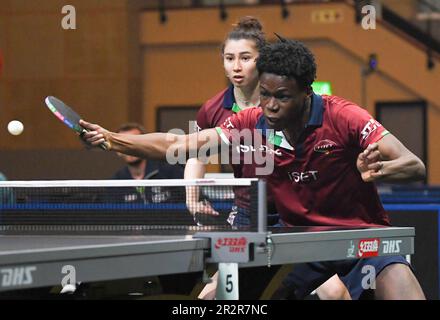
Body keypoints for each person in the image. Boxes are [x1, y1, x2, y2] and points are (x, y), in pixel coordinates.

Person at [79, 38, 426, 299]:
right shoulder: (250, 123)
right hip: (301, 245)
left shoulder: (344, 117)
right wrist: (112, 140)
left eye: (283, 97)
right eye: (265, 94)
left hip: (359, 237)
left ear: (306, 92)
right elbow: (178, 145)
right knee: (217, 296)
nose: (271, 106)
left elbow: (414, 165)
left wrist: (379, 170)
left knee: (402, 288)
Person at [185, 16, 349, 300]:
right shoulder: (213, 110)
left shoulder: (288, 101)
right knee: (212, 296)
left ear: (263, 61)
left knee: (335, 293)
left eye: (245, 58)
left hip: (295, 213)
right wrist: (192, 196)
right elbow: (194, 154)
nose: (236, 66)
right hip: (250, 214)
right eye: (229, 58)